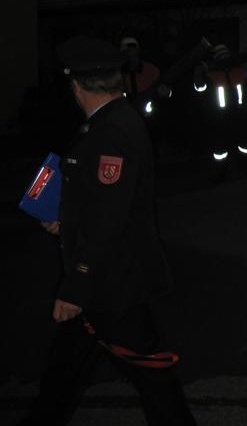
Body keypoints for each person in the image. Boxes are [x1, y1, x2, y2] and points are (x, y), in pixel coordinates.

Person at [20, 35, 195, 425]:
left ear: (76, 85)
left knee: (153, 380)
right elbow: (99, 201)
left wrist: (75, 287)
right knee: (63, 374)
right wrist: (65, 220)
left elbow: (109, 219)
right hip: (106, 280)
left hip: (112, 283)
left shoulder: (112, 131)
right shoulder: (107, 123)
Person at [193, 44, 247, 179]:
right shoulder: (211, 75)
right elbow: (200, 89)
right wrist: (198, 75)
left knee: (244, 144)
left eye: (227, 58)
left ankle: (246, 167)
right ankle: (221, 172)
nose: (225, 61)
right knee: (220, 148)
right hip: (220, 117)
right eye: (222, 58)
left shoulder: (239, 72)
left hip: (239, 115)